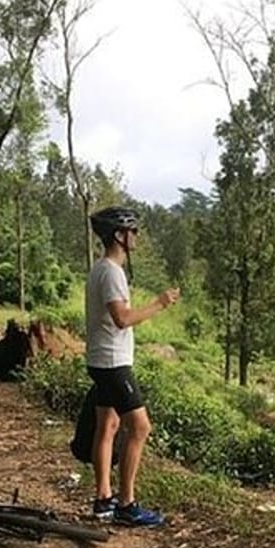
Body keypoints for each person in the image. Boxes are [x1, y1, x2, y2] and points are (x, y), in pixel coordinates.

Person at [84, 205, 180, 526]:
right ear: (119, 236)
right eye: (133, 231)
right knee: (140, 427)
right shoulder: (111, 272)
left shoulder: (101, 269)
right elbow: (122, 319)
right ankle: (126, 504)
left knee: (108, 426)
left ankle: (103, 499)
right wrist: (160, 303)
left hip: (101, 359)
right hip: (113, 362)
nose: (136, 236)